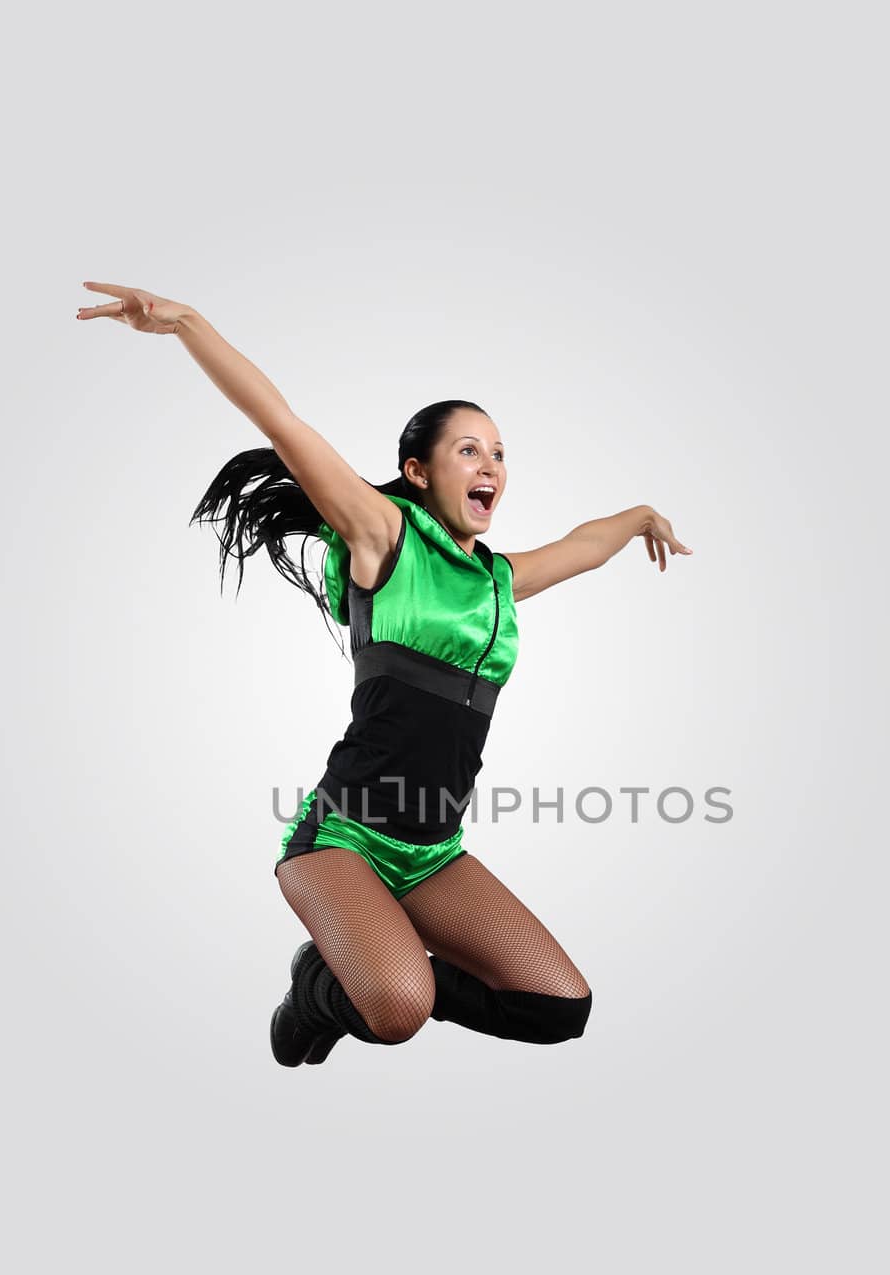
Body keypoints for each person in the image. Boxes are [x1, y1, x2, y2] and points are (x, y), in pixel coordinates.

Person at [76, 281, 692, 1066]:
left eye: (499, 453)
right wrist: (188, 323)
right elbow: (281, 422)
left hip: (432, 849)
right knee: (399, 1009)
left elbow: (583, 543)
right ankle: (321, 990)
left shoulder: (498, 579)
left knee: (557, 1008)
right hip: (341, 839)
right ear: (418, 470)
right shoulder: (381, 535)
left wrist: (641, 516)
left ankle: (376, 962)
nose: (491, 465)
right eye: (468, 449)